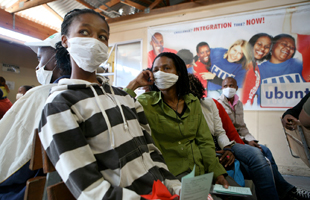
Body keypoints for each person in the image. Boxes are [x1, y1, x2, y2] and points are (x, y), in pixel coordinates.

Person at [38, 9, 181, 199]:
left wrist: (175, 187)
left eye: (103, 36)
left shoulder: (126, 98)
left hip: (162, 193)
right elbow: (90, 190)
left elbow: (152, 153)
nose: (95, 40)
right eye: (85, 32)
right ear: (65, 41)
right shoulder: (60, 106)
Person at [125, 52, 231, 192]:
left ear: (179, 72)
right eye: (156, 70)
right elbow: (118, 109)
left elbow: (205, 142)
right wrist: (135, 84)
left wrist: (218, 173)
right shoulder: (146, 102)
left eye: (166, 68)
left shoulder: (192, 102)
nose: (160, 73)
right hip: (172, 177)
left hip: (202, 171)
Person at [0, 32, 71, 200]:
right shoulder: (89, 94)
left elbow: (7, 155)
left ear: (55, 59)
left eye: (40, 59)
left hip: (27, 190)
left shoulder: (41, 95)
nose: (38, 66)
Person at [217, 77, 310, 200]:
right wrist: (245, 141)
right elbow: (225, 131)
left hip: (240, 139)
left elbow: (242, 127)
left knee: (264, 150)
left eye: (231, 85)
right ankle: (284, 191)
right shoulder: (217, 104)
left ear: (236, 88)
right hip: (231, 140)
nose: (228, 88)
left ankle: (283, 190)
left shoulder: (238, 103)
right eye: (225, 86)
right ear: (221, 88)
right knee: (258, 155)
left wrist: (253, 141)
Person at [257, 34, 305, 104]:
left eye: (292, 48)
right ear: (272, 46)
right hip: (266, 112)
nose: (288, 48)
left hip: (294, 113)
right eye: (284, 44)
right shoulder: (257, 70)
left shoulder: (299, 65)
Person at [241, 33, 273, 105]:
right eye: (259, 44)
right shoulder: (241, 63)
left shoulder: (256, 66)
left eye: (267, 47)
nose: (262, 49)